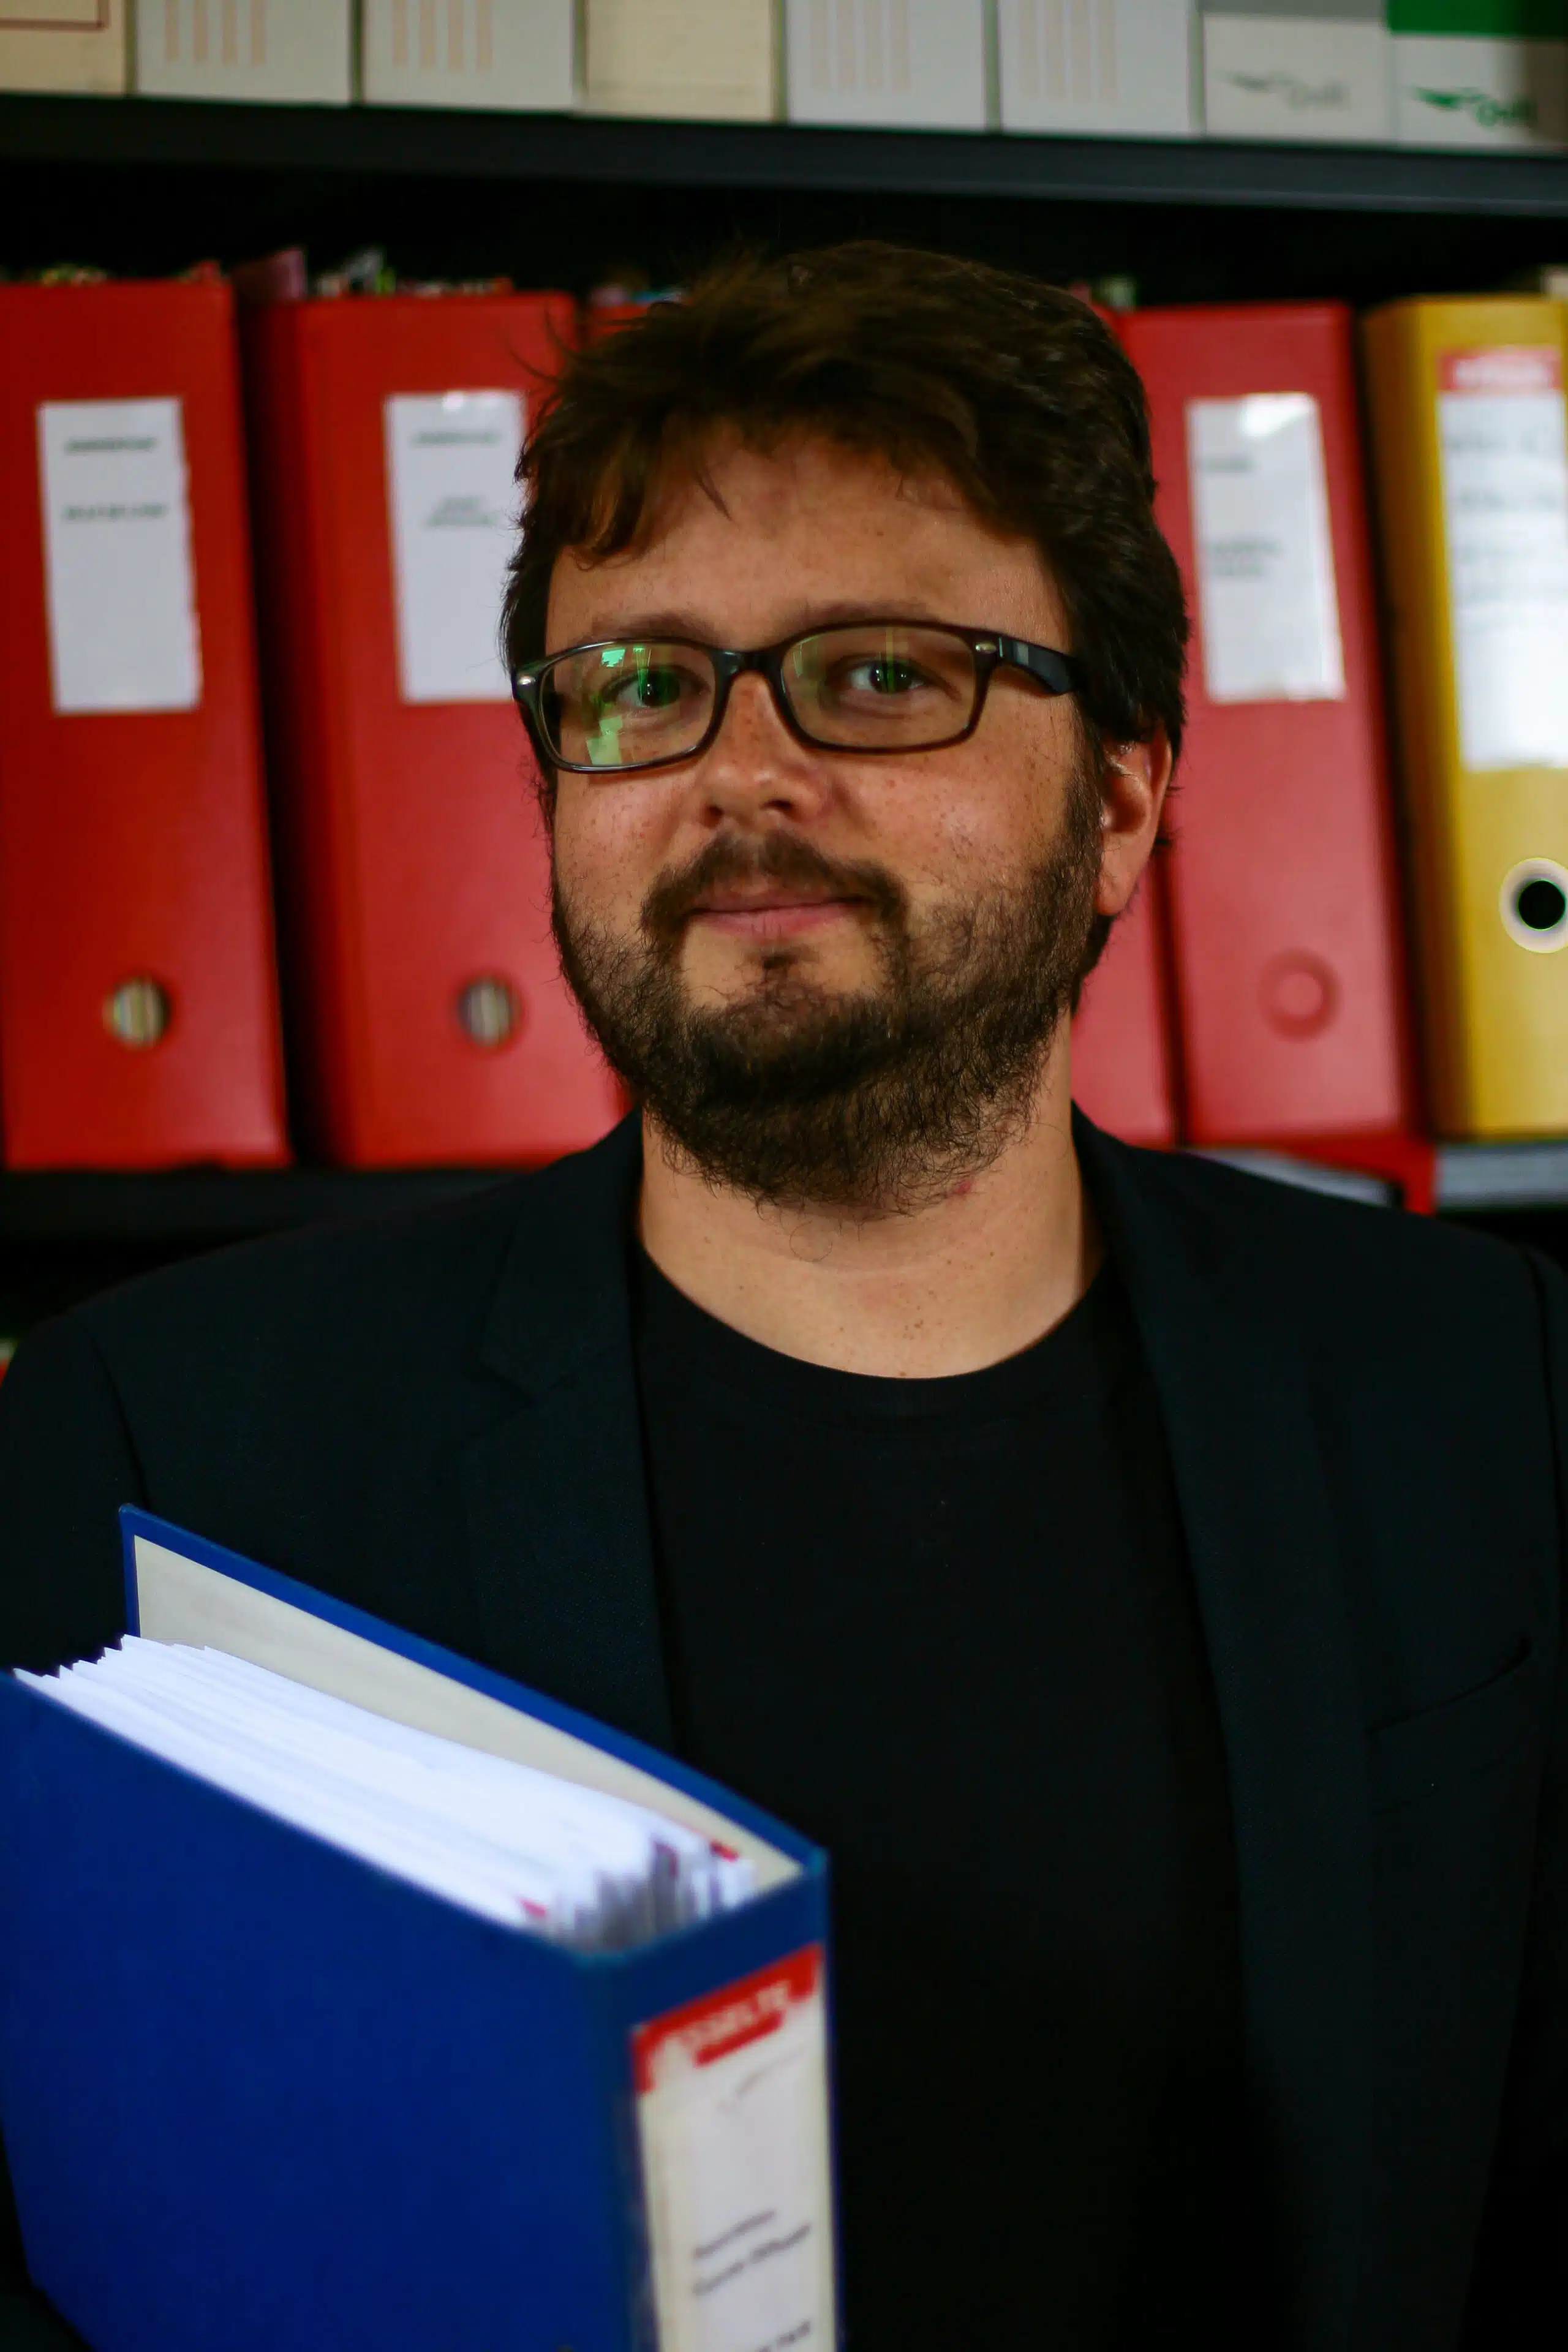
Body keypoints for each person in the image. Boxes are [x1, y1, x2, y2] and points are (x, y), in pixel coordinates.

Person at [0, 241, 1562, 2352]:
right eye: (642, 687)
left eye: (882, 673)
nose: (739, 772)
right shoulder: (173, 1450)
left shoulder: (1487, 1388)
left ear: (1122, 798)